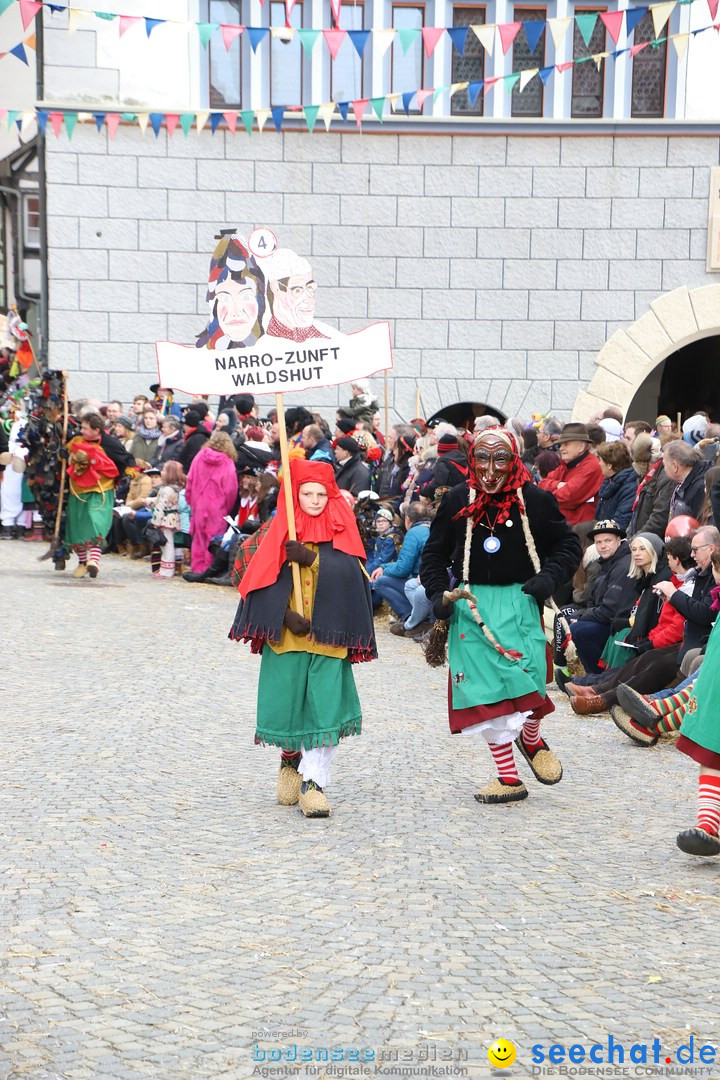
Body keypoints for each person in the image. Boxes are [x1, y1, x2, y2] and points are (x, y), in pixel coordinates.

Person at [419, 428, 582, 805]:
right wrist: (436, 595)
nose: (491, 470)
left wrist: (547, 580)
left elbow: (567, 544)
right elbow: (433, 555)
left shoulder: (536, 500)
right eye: (482, 459)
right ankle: (509, 779)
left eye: (501, 459)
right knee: (483, 693)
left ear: (515, 461)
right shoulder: (457, 499)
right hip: (470, 606)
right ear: (471, 460)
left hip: (519, 601)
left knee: (529, 684)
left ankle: (530, 735)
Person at [229, 459, 377, 818]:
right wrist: (280, 616)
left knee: (323, 708)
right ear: (296, 495)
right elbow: (247, 574)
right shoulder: (275, 530)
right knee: (289, 705)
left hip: (329, 637)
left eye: (321, 494)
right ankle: (289, 759)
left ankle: (315, 784)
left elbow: (355, 581)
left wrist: (312, 558)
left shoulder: (343, 527)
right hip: (288, 639)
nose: (314, 500)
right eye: (307, 493)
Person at [568, 525, 720, 714]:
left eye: (696, 550)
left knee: (656, 663)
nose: (693, 554)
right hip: (688, 640)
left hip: (694, 642)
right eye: (634, 550)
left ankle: (605, 699)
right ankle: (597, 689)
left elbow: (702, 615)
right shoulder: (698, 575)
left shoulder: (700, 578)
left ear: (711, 548)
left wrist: (674, 597)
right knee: (645, 657)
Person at [65, 412, 136, 578]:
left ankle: (94, 560)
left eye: (85, 428)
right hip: (78, 490)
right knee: (77, 525)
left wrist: (129, 474)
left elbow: (127, 459)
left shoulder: (109, 443)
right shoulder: (77, 439)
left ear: (97, 430)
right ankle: (82, 563)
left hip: (100, 490)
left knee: (94, 523)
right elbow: (68, 454)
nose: (81, 430)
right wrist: (64, 456)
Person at [566, 520, 632, 673]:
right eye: (598, 542)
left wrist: (583, 617)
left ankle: (597, 675)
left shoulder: (623, 565)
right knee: (569, 620)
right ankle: (587, 674)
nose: (603, 546)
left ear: (618, 540)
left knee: (578, 629)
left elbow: (611, 610)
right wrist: (583, 615)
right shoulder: (605, 563)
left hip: (618, 623)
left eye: (607, 540)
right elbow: (592, 600)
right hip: (605, 617)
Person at [196, 232, 265, 351]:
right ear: (214, 305)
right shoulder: (202, 361)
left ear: (259, 300)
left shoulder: (275, 350)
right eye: (224, 298)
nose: (236, 312)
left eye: (246, 297)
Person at [184, 431, 239, 574]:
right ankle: (208, 569)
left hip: (199, 503)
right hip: (217, 507)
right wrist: (227, 508)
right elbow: (230, 490)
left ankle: (197, 567)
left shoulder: (199, 456)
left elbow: (189, 479)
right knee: (213, 538)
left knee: (198, 537)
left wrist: (190, 499)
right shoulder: (228, 463)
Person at [370, 502, 432, 621]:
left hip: (420, 581)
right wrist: (384, 566)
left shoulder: (414, 533)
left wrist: (384, 570)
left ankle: (409, 616)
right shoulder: (433, 528)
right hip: (432, 579)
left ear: (408, 519)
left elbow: (402, 569)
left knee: (380, 582)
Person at [538, 423, 604, 529]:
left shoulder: (592, 466)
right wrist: (559, 485)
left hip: (578, 531)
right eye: (561, 444)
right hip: (563, 526)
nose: (561, 448)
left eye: (566, 444)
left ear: (581, 446)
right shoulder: (566, 464)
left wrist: (551, 490)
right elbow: (541, 484)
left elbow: (566, 498)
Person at [146, 460, 186, 579]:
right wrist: (148, 501)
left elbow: (160, 507)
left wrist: (155, 522)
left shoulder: (166, 490)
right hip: (172, 518)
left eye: (163, 471)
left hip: (165, 520)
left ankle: (166, 571)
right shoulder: (174, 489)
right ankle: (167, 569)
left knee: (166, 545)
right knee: (168, 544)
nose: (161, 473)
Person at [595, 441, 638, 532]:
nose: (599, 464)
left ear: (609, 465)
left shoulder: (629, 488)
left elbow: (621, 522)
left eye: (600, 460)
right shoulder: (609, 481)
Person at [665, 440, 711, 523]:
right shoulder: (681, 482)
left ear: (675, 467)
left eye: (664, 465)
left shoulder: (700, 488)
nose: (664, 469)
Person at [177, 407, 210, 473]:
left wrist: (185, 472)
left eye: (184, 425)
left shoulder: (198, 438)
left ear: (188, 425)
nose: (183, 427)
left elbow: (193, 458)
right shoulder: (194, 436)